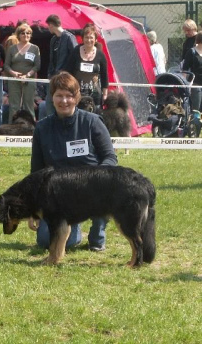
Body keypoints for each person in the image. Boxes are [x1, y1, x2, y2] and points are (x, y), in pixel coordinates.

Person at [29, 71, 117, 251]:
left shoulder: (92, 122)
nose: (64, 101)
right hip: (59, 195)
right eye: (59, 96)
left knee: (106, 188)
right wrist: (34, 209)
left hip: (92, 189)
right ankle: (74, 230)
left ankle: (97, 234)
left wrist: (97, 178)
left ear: (77, 98)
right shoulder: (42, 128)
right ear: (51, 98)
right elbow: (37, 171)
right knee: (46, 241)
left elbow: (110, 157)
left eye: (69, 96)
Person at [4, 23, 41, 122]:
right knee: (14, 106)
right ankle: (12, 128)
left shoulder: (35, 48)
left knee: (28, 105)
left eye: (28, 33)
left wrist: (28, 75)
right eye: (23, 33)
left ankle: (32, 129)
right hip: (14, 80)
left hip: (29, 80)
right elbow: (6, 65)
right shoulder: (12, 49)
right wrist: (13, 73)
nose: (26, 35)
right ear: (18, 35)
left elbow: (37, 65)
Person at [65, 24, 108, 107]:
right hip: (77, 92)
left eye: (91, 37)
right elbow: (68, 72)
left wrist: (105, 94)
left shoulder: (101, 55)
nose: (89, 40)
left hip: (95, 93)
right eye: (86, 37)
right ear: (83, 39)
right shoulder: (76, 51)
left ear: (95, 40)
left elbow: (104, 75)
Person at [45, 14, 78, 116]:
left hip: (66, 78)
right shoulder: (53, 40)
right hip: (53, 77)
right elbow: (51, 60)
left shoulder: (69, 37)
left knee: (64, 102)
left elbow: (75, 57)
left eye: (48, 26)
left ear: (51, 25)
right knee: (50, 102)